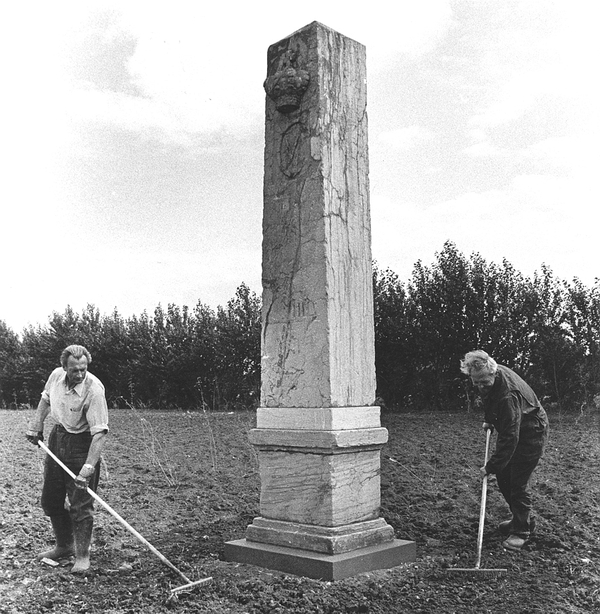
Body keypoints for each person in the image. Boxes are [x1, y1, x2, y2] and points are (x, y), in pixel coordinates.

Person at [26, 344, 109, 574]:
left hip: (83, 445)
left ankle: (82, 556)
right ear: (64, 368)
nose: (80, 374)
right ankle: (64, 546)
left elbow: (100, 433)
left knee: (80, 505)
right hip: (58, 438)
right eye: (75, 370)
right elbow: (45, 400)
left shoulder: (94, 390)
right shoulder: (55, 376)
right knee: (50, 501)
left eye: (84, 369)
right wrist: (36, 424)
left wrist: (88, 467)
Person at [460, 350, 549, 551]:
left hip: (531, 433)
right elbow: (489, 397)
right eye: (476, 382)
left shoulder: (508, 395)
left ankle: (521, 531)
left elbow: (510, 437)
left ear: (493, 372)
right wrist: (490, 419)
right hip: (517, 426)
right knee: (504, 476)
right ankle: (521, 519)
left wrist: (491, 466)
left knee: (517, 482)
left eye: (484, 382)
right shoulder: (492, 376)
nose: (480, 386)